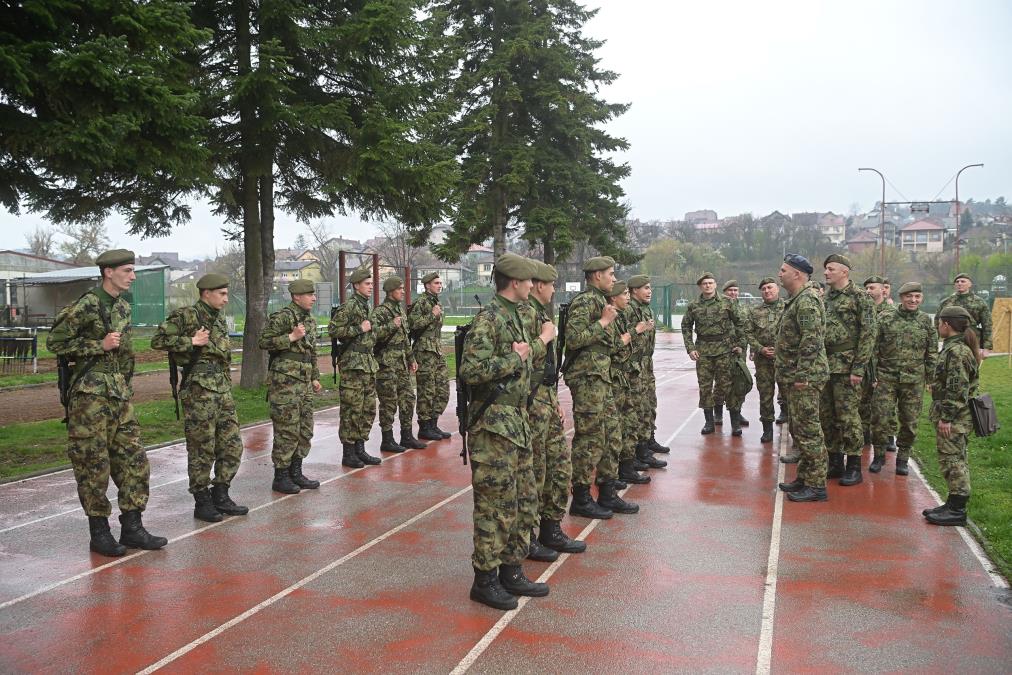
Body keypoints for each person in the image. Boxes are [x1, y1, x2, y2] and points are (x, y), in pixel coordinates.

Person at [47, 249, 167, 556]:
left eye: (133, 270)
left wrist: (126, 384)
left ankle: (133, 528)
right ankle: (99, 533)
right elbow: (55, 341)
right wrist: (97, 345)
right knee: (93, 464)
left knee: (134, 460)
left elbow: (125, 352)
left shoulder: (123, 306)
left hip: (118, 395)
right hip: (89, 397)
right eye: (127, 270)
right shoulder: (87, 304)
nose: (133, 276)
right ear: (108, 272)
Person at [460, 253, 551, 610]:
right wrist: (515, 358)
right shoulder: (490, 320)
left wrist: (530, 351)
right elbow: (470, 370)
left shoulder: (520, 316)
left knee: (524, 500)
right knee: (494, 506)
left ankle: (511, 570)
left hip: (517, 420)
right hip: (493, 426)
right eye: (529, 280)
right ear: (515, 282)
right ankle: (485, 579)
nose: (533, 285)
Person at [152, 273, 248, 522]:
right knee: (201, 448)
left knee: (232, 445)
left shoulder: (218, 320)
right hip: (199, 391)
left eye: (227, 294)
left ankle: (221, 493)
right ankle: (201, 500)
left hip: (222, 390)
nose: (226, 299)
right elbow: (158, 340)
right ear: (206, 293)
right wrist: (190, 341)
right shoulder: (187, 315)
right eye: (222, 294)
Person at [523, 261, 586, 558]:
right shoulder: (525, 317)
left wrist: (554, 400)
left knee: (559, 468)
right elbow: (520, 365)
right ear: (538, 285)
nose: (553, 290)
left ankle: (551, 529)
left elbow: (546, 369)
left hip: (545, 400)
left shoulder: (540, 314)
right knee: (535, 471)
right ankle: (528, 536)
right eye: (551, 285)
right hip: (530, 404)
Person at [564, 256, 622, 519]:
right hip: (587, 379)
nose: (614, 278)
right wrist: (603, 322)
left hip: (601, 377)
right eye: (610, 274)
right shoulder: (586, 301)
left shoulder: (602, 301)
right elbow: (574, 339)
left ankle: (607, 492)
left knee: (610, 434)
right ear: (596, 275)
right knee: (589, 439)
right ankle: (581, 497)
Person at [259, 279, 323, 494]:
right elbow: (264, 341)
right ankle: (281, 476)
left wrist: (314, 376)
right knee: (287, 429)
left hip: (303, 381)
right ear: (297, 297)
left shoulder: (310, 320)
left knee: (305, 428)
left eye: (314, 294)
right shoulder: (283, 316)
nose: (314, 298)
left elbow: (310, 351)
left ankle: (296, 471)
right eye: (309, 294)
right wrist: (290, 337)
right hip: (285, 382)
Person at [775, 254, 830, 502]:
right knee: (800, 428)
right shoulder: (797, 299)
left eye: (784, 270)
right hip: (795, 376)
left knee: (809, 431)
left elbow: (812, 340)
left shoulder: (806, 301)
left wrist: (803, 374)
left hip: (804, 378)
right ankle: (805, 478)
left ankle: (817, 485)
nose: (780, 274)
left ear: (797, 274)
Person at [820, 254, 876, 487]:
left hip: (848, 366)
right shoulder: (825, 298)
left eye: (830, 269)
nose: (825, 273)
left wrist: (859, 368)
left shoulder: (861, 298)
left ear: (844, 271)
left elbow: (869, 334)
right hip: (826, 365)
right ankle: (834, 461)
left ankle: (854, 464)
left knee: (848, 417)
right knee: (827, 415)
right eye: (826, 269)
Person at [869, 282, 936, 475]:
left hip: (914, 380)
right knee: (880, 419)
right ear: (901, 298)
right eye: (909, 296)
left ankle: (903, 459)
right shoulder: (885, 317)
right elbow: (873, 349)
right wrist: (873, 375)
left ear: (921, 298)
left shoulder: (925, 321)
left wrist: (930, 379)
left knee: (910, 421)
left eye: (917, 296)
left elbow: (931, 352)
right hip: (886, 377)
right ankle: (879, 455)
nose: (913, 300)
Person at [923, 306, 981, 526]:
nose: (938, 326)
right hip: (954, 414)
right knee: (952, 458)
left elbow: (957, 388)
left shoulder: (956, 351)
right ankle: (952, 502)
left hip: (956, 417)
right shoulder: (954, 347)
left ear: (946, 325)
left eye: (939, 323)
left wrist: (946, 418)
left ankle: (957, 510)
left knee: (953, 461)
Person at [598, 280, 649, 509]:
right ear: (613, 298)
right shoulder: (612, 319)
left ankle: (625, 467)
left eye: (629, 293)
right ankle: (618, 472)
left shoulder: (620, 316)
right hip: (616, 377)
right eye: (624, 293)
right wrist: (633, 332)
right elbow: (614, 348)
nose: (627, 297)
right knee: (615, 429)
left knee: (627, 423)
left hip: (625, 375)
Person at [329, 266, 381, 468]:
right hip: (353, 365)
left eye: (371, 284)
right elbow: (334, 329)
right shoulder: (349, 306)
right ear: (356, 285)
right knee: (352, 409)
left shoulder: (366, 306)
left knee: (367, 409)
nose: (370, 287)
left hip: (367, 364)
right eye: (367, 284)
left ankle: (360, 449)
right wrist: (359, 329)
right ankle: (348, 453)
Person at [681, 273, 743, 435]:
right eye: (704, 283)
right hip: (703, 351)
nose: (708, 286)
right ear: (700, 287)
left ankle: (735, 423)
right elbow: (686, 326)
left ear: (715, 285)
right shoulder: (693, 305)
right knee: (705, 388)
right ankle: (709, 422)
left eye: (710, 283)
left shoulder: (727, 302)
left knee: (728, 387)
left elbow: (740, 323)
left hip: (725, 350)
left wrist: (740, 344)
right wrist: (690, 347)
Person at [372, 275, 427, 453]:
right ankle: (387, 439)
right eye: (399, 289)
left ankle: (407, 435)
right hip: (386, 363)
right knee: (388, 402)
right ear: (390, 291)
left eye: (403, 289)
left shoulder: (401, 311)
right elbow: (372, 336)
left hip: (402, 362)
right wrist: (390, 325)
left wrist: (411, 359)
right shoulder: (380, 312)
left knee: (408, 399)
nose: (403, 292)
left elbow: (405, 339)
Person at [627, 275, 669, 455]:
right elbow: (623, 337)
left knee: (650, 403)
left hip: (646, 363)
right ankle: (639, 447)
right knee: (638, 406)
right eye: (645, 288)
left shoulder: (647, 310)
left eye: (650, 288)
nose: (649, 291)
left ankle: (648, 439)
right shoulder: (629, 310)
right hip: (634, 364)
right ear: (634, 290)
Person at [409, 272, 451, 441]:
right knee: (427, 390)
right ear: (427, 285)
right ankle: (424, 427)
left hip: (437, 350)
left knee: (442, 389)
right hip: (424, 352)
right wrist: (431, 315)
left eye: (440, 283)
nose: (439, 285)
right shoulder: (421, 303)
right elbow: (412, 325)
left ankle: (434, 423)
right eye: (436, 283)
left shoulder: (436, 302)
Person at [747, 277, 785, 444]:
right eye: (763, 289)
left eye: (770, 287)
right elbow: (748, 333)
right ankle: (767, 429)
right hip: (763, 360)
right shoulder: (755, 311)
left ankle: (791, 424)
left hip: (784, 358)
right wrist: (760, 348)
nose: (767, 291)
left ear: (777, 289)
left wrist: (781, 349)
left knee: (789, 393)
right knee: (765, 394)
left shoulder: (788, 307)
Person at [716, 279, 752, 432]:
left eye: (735, 290)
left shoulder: (744, 309)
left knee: (739, 384)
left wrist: (747, 348)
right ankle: (717, 414)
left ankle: (737, 413)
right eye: (730, 290)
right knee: (720, 383)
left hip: (739, 352)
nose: (733, 293)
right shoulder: (718, 308)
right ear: (724, 292)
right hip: (722, 351)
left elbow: (748, 329)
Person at [936, 273, 993, 358]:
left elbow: (987, 325)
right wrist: (934, 344)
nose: (959, 283)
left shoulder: (979, 302)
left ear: (970, 284)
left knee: (971, 367)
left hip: (971, 341)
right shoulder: (946, 302)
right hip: (951, 342)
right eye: (957, 282)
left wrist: (987, 348)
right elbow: (937, 323)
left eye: (963, 281)